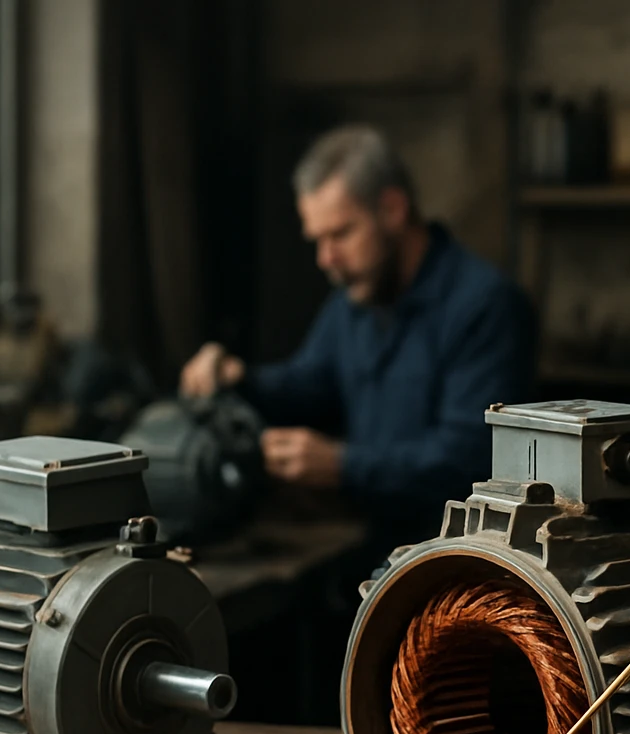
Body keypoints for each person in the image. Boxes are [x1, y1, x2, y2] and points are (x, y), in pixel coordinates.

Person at [180, 124, 536, 555]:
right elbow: (310, 385)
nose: (325, 259)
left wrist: (342, 466)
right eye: (317, 240)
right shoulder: (353, 301)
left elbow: (468, 460)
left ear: (392, 208)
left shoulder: (485, 306)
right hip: (367, 545)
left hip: (451, 563)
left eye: (341, 235)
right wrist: (238, 378)